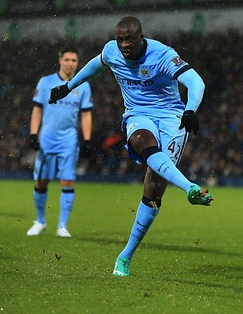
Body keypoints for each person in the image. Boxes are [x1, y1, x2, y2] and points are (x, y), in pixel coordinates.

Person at [49, 16, 212, 277]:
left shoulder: (163, 55)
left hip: (172, 117)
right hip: (138, 114)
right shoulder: (112, 51)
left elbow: (196, 82)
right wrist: (68, 87)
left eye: (129, 39)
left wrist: (190, 110)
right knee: (140, 140)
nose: (124, 44)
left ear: (141, 38)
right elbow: (95, 66)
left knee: (155, 185)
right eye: (120, 39)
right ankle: (189, 187)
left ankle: (126, 254)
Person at [26, 46, 93, 238]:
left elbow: (86, 114)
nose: (70, 64)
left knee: (67, 181)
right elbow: (37, 109)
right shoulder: (46, 82)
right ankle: (40, 221)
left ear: (77, 63)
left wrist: (87, 140)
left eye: (74, 61)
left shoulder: (83, 85)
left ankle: (62, 226)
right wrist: (33, 134)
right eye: (67, 60)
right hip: (47, 138)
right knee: (41, 181)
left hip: (69, 140)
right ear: (60, 60)